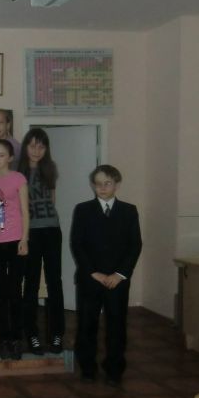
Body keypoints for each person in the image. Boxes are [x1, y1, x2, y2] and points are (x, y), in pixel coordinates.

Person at [70, 165, 142, 386]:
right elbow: (77, 244)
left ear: (116, 185)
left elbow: (135, 245)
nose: (102, 187)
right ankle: (88, 368)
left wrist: (120, 274)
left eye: (107, 183)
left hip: (117, 280)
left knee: (116, 324)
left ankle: (114, 369)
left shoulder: (129, 211)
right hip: (91, 278)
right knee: (87, 323)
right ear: (93, 185)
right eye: (98, 183)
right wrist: (93, 272)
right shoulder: (83, 210)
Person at [17, 128, 65, 355]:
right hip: (30, 233)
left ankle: (56, 334)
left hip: (52, 231)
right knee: (31, 284)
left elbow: (52, 201)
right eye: (32, 145)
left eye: (41, 146)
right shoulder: (18, 172)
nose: (36, 150)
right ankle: (32, 335)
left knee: (55, 282)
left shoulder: (50, 169)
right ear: (25, 147)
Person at [0, 139, 29, 360]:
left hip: (16, 241)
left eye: (1, 155)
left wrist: (25, 239)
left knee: (15, 291)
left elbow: (25, 211)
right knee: (0, 292)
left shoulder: (18, 178)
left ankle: (16, 338)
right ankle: (4, 339)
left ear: (10, 158)